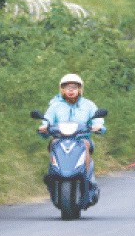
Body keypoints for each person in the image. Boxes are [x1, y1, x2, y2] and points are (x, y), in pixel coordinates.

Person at [38, 73, 106, 205]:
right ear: (62, 89)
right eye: (67, 87)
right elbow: (47, 120)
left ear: (80, 89)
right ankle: (53, 174)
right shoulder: (55, 106)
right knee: (53, 143)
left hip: (81, 140)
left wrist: (98, 126)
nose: (71, 90)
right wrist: (44, 127)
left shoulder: (89, 105)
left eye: (74, 87)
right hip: (60, 139)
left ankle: (87, 180)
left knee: (86, 144)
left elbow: (98, 120)